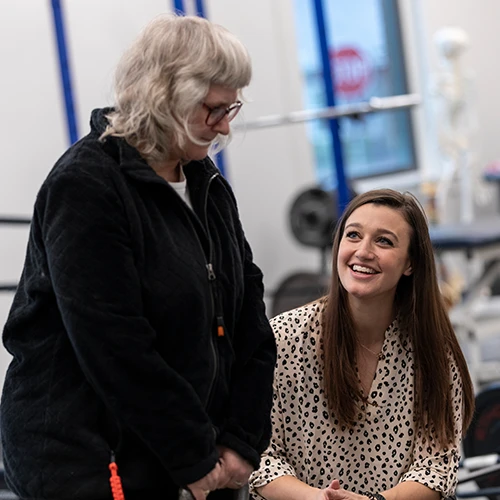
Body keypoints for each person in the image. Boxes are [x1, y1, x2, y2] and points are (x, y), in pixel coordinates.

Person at [1, 13, 276, 500]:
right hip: (87, 458)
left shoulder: (206, 183)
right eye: (212, 110)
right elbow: (115, 345)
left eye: (231, 109)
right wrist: (191, 453)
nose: (223, 127)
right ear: (164, 95)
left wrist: (241, 438)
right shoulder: (85, 186)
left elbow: (249, 316)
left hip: (183, 453)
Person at [249, 189, 475, 500]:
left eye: (384, 241)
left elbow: (435, 465)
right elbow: (258, 455)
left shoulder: (431, 349)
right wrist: (317, 499)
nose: (363, 251)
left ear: (410, 263)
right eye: (353, 235)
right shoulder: (283, 339)